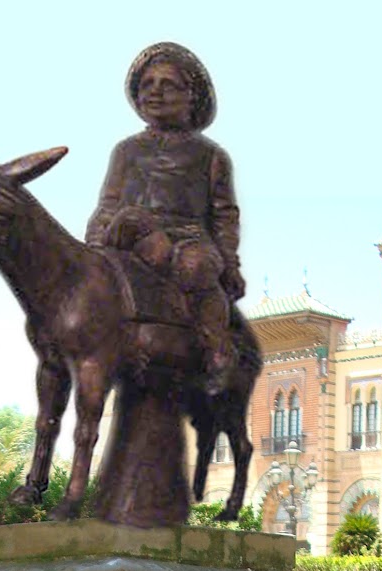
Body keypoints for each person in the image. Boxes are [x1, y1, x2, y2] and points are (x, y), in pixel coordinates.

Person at [85, 42, 245, 391]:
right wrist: (93, 246)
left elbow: (224, 216)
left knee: (197, 267)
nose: (155, 92)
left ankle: (217, 348)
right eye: (147, 85)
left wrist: (229, 263)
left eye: (167, 84)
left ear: (191, 96)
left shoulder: (209, 155)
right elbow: (108, 205)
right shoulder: (126, 151)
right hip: (128, 236)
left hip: (186, 239)